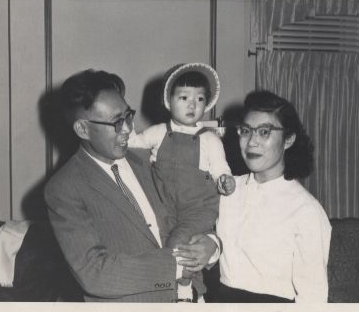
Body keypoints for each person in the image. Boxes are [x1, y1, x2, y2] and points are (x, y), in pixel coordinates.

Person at [44, 69, 218, 302]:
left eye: (128, 116)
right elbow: (95, 274)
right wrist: (175, 267)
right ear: (83, 129)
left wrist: (213, 245)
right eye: (116, 122)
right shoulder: (64, 189)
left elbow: (193, 206)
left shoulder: (152, 158)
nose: (128, 129)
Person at [215, 91, 332, 303]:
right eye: (246, 131)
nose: (251, 142)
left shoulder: (306, 210)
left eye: (264, 132)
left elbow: (313, 297)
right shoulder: (227, 189)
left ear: (288, 139)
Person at [129, 62, 236, 249]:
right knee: (154, 243)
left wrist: (226, 181)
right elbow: (133, 143)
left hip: (198, 210)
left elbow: (221, 170)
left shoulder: (210, 140)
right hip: (164, 208)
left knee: (177, 244)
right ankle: (179, 277)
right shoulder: (158, 132)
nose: (192, 105)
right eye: (184, 97)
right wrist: (126, 125)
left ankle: (184, 278)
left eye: (200, 99)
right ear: (168, 102)